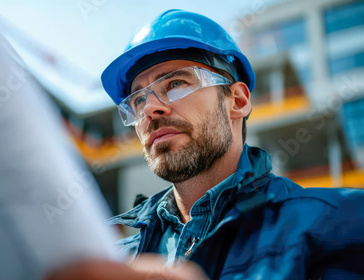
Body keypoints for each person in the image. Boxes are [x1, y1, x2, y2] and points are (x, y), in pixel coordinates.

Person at [47, 9, 364, 280]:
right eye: (138, 99)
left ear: (237, 101)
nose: (150, 110)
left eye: (175, 83)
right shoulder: (117, 263)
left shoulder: (342, 224)